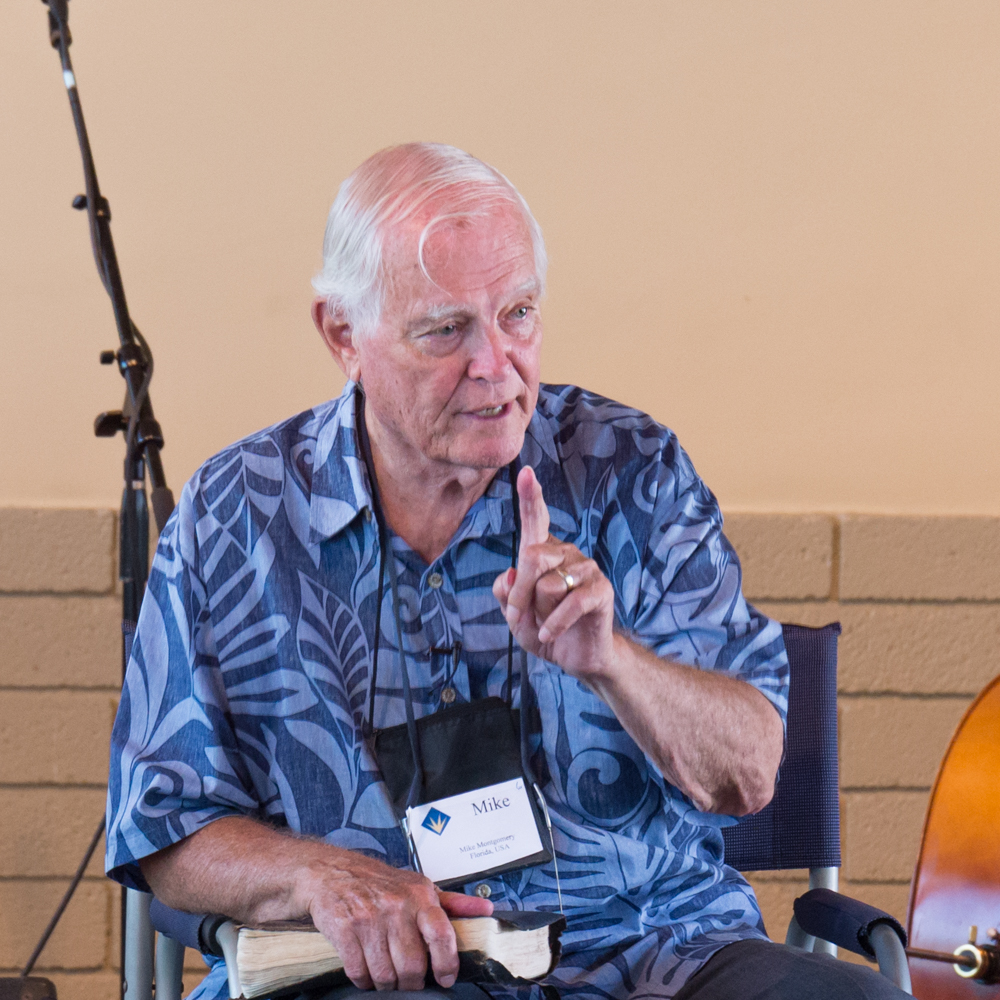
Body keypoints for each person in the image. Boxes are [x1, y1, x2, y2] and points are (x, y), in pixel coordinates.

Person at [106, 143, 906, 1000]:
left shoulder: (630, 470)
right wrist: (317, 879)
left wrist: (614, 661)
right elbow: (165, 827)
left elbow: (747, 773)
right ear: (344, 334)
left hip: (656, 953)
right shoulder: (236, 513)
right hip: (385, 974)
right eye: (446, 329)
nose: (495, 364)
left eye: (517, 314)